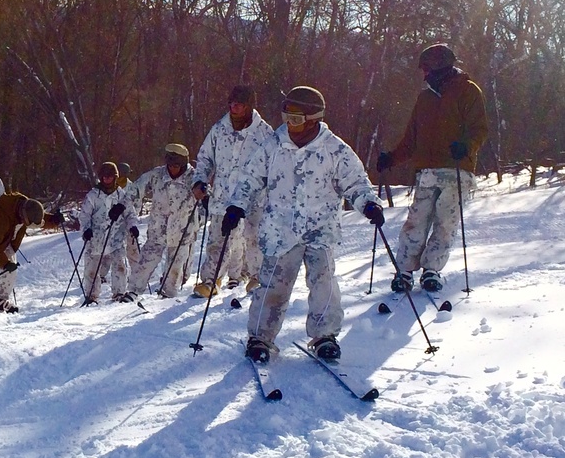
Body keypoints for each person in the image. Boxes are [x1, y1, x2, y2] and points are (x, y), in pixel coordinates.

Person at [223, 86, 384, 363]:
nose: (289, 124)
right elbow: (249, 178)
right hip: (280, 230)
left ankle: (325, 336)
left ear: (313, 118)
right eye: (286, 117)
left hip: (320, 229)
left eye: (296, 119)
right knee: (272, 285)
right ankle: (260, 337)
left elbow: (356, 183)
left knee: (324, 284)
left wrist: (368, 203)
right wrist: (236, 205)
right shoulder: (273, 144)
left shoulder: (335, 149)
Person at [376, 43, 489, 293]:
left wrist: (466, 146)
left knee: (445, 222)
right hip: (426, 171)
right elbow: (411, 139)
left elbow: (479, 129)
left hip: (457, 169)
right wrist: (391, 158)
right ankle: (404, 271)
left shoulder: (468, 91)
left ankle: (432, 270)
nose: (424, 74)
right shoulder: (424, 98)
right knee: (416, 220)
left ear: (440, 68)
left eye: (427, 69)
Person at [190, 85, 275, 298]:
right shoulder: (219, 129)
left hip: (254, 199)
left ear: (248, 106)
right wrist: (200, 180)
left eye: (238, 104)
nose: (233, 108)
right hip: (223, 195)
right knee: (218, 238)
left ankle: (257, 277)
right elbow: (205, 157)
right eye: (231, 103)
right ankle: (210, 280)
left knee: (254, 238)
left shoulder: (265, 133)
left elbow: (275, 166)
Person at [121, 143, 204, 300]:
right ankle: (133, 291)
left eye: (177, 165)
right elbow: (136, 188)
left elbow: (207, 199)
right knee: (146, 261)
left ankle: (168, 294)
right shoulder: (156, 175)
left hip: (182, 231)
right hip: (158, 229)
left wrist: (203, 206)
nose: (173, 168)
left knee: (175, 266)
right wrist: (121, 204)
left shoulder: (195, 178)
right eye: (170, 164)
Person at [78, 162, 138, 303]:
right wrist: (86, 230)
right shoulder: (93, 195)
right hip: (95, 239)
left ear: (115, 177)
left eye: (110, 177)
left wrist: (133, 226)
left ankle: (119, 293)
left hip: (115, 238)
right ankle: (91, 296)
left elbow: (130, 214)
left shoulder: (121, 195)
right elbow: (84, 215)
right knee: (91, 270)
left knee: (120, 267)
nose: (107, 179)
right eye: (104, 177)